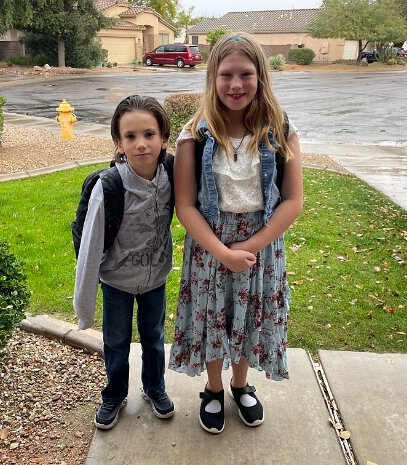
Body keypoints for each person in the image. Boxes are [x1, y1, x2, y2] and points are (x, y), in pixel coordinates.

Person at [168, 32, 304, 434]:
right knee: (213, 315)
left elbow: (293, 201)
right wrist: (222, 252)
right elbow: (185, 206)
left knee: (248, 316)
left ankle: (241, 385)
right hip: (210, 244)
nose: (236, 84)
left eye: (246, 74)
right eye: (226, 74)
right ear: (213, 77)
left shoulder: (281, 130)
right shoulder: (194, 135)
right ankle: (213, 390)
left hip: (262, 244)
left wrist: (250, 246)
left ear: (260, 76)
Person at [74, 95, 175, 430]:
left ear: (164, 138)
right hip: (116, 281)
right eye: (130, 136)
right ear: (118, 143)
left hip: (155, 279)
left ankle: (154, 387)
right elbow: (90, 247)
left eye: (149, 134)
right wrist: (84, 307)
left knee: (154, 337)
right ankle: (115, 394)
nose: (141, 144)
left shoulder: (173, 174)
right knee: (116, 341)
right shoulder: (108, 187)